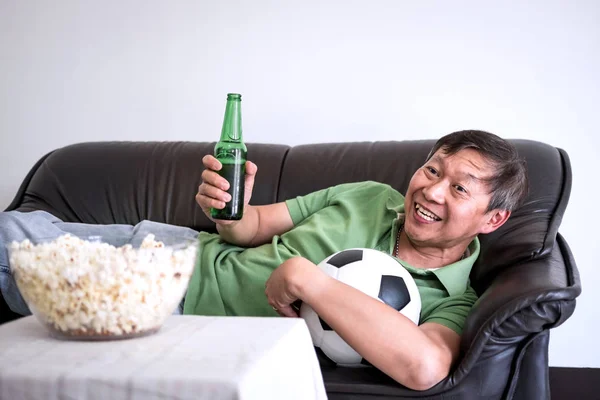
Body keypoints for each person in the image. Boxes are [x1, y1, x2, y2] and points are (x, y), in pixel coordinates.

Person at [0, 130, 528, 391]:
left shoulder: (454, 298)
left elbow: (425, 367)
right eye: (432, 172)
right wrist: (230, 206)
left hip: (161, 305)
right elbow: (250, 228)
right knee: (10, 235)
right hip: (167, 252)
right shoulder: (368, 195)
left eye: (459, 188)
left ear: (492, 220)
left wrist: (306, 279)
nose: (432, 192)